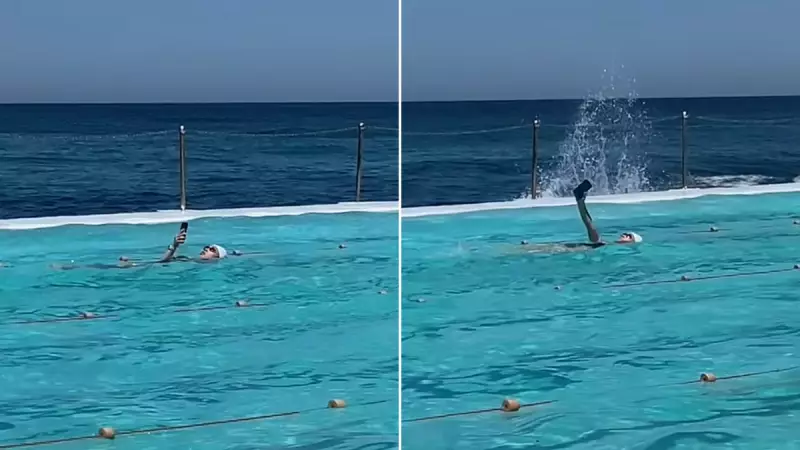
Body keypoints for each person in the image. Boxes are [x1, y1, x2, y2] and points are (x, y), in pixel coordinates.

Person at [519, 179, 642, 254]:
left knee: (596, 238)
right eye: (626, 234)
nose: (624, 235)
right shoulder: (610, 245)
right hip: (572, 248)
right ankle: (580, 200)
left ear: (632, 242)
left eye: (628, 236)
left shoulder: (617, 250)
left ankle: (580, 200)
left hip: (571, 250)